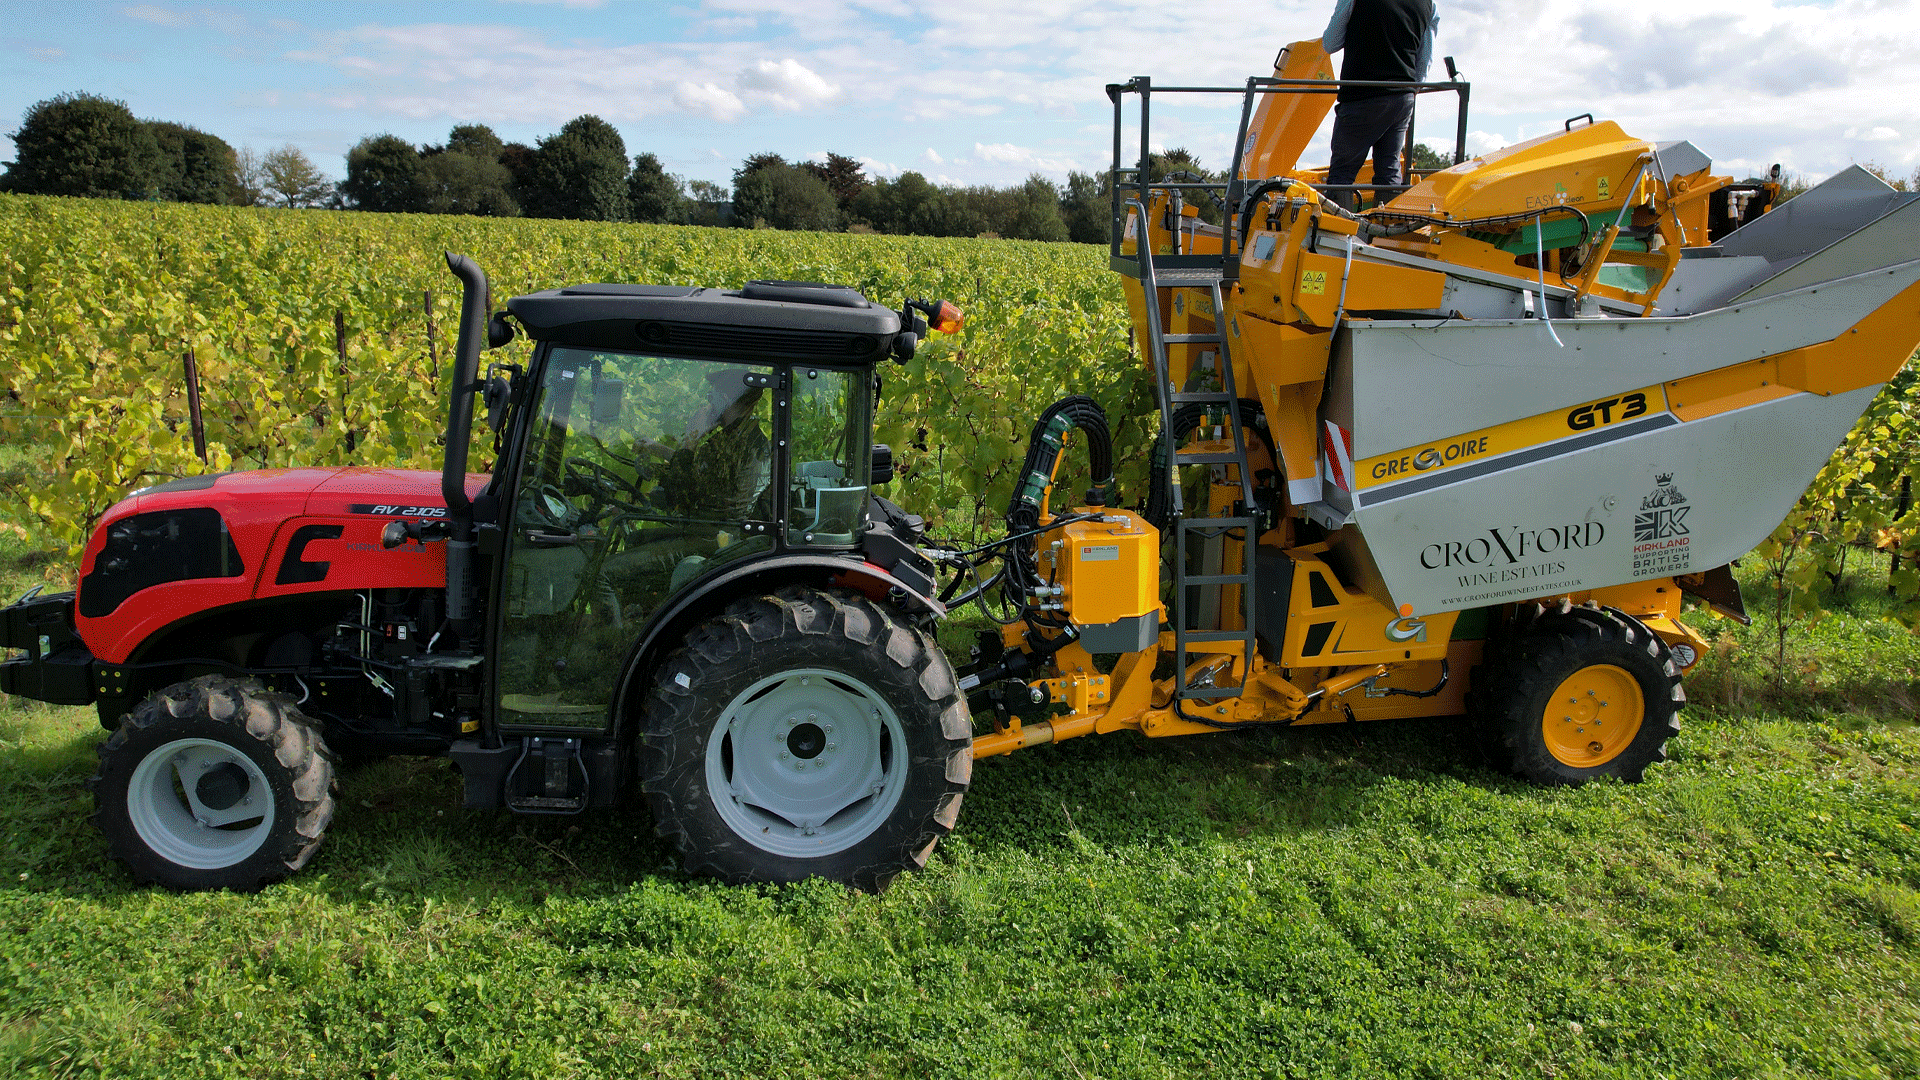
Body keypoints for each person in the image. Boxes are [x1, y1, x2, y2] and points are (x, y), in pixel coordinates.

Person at [1323, 0, 1439, 206]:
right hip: (1402, 99)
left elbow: (1330, 43)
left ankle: (1338, 235)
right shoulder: (1428, 4)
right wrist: (1410, 90)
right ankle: (1389, 230)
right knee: (1389, 171)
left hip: (1361, 98)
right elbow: (1424, 62)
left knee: (1342, 175)